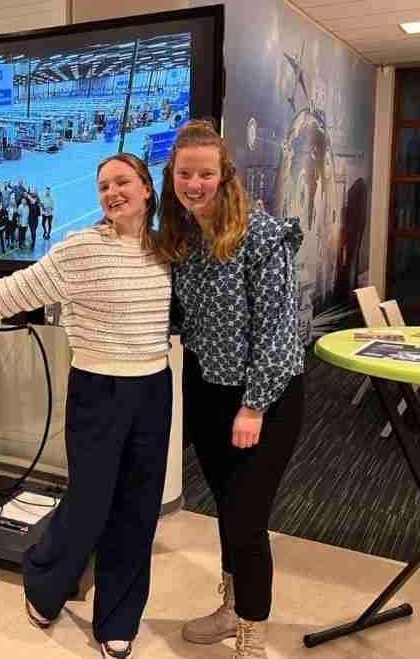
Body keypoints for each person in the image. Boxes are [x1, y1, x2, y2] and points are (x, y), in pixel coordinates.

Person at [0, 154, 172, 659]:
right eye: (103, 185)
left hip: (153, 392)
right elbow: (12, 290)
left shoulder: (167, 249)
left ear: (147, 188)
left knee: (138, 511)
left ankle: (119, 618)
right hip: (97, 391)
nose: (112, 192)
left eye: (122, 182)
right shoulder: (79, 250)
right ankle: (44, 584)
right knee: (88, 506)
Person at [155, 119, 304, 659]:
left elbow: (278, 330)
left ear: (225, 176)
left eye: (205, 174)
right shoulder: (183, 239)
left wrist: (254, 406)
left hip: (265, 398)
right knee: (225, 507)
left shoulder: (258, 236)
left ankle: (253, 638)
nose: (194, 184)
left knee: (246, 518)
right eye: (184, 174)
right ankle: (231, 606)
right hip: (207, 389)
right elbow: (177, 316)